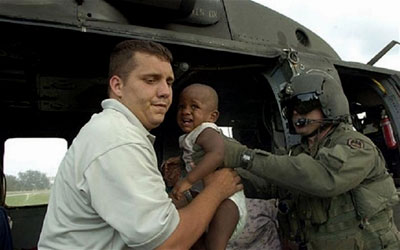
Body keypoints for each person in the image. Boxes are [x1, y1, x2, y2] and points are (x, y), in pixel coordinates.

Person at [38, 39, 242, 250]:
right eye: (151, 80)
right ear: (118, 86)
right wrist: (217, 190)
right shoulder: (118, 139)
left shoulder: (113, 130)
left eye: (169, 82)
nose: (165, 91)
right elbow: (167, 244)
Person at [194, 69, 400, 249]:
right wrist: (208, 168)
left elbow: (323, 178)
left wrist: (244, 155)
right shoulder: (297, 152)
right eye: (290, 108)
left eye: (303, 106)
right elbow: (268, 183)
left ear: (329, 104)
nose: (295, 114)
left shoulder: (355, 145)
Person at [163, 83, 247, 250]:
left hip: (227, 200)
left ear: (212, 116)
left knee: (215, 244)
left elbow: (216, 154)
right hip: (205, 195)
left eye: (194, 106)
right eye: (182, 106)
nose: (186, 111)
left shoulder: (207, 131)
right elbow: (195, 156)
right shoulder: (191, 136)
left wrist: (188, 180)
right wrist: (179, 160)